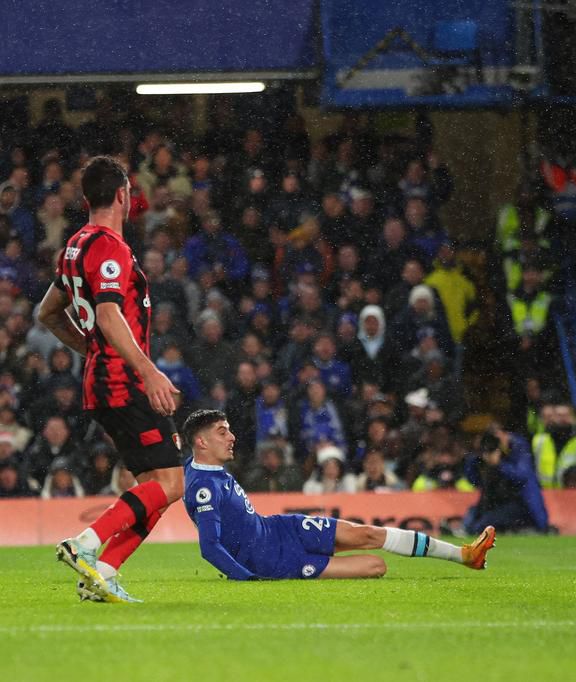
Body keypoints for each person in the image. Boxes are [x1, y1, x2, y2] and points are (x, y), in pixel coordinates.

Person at [38, 156, 182, 604]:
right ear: (123, 195)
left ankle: (101, 573)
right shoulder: (108, 246)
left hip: (101, 379)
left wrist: (92, 351)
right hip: (122, 382)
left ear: (85, 199)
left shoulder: (74, 246)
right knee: (173, 484)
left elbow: (48, 313)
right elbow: (107, 311)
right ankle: (87, 543)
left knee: (153, 489)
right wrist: (148, 370)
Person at [164, 409, 495, 583]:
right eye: (223, 432)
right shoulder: (202, 486)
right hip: (274, 561)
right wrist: (245, 577)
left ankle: (465, 555)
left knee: (366, 533)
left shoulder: (206, 468)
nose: (232, 437)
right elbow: (210, 546)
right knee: (375, 566)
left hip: (281, 528)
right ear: (202, 442)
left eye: (229, 429)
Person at [464, 425, 548, 535]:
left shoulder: (518, 448)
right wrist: (477, 456)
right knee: (469, 525)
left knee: (481, 527)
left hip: (518, 503)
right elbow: (474, 481)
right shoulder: (486, 455)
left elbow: (521, 476)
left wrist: (499, 464)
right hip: (493, 503)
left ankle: (525, 529)